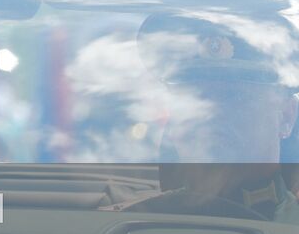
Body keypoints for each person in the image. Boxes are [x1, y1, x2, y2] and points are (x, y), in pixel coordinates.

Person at [122, 12, 299, 221]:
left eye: (234, 97)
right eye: (195, 99)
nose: (209, 114)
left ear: (287, 117)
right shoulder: (126, 231)